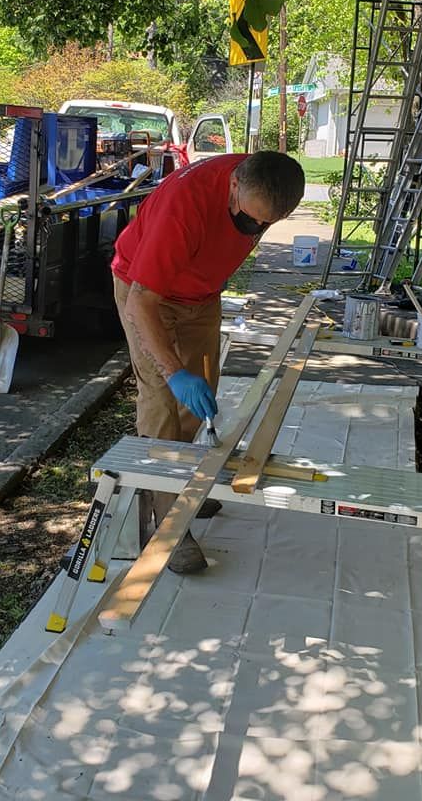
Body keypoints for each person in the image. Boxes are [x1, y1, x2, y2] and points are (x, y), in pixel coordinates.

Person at [111, 150, 306, 573]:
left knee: (199, 398)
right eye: (248, 217)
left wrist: (190, 375)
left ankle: (177, 487)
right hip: (146, 296)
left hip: (200, 296)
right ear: (233, 183)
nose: (253, 228)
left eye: (264, 223)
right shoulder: (184, 205)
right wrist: (172, 371)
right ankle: (164, 528)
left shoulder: (264, 179)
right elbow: (142, 303)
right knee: (163, 403)